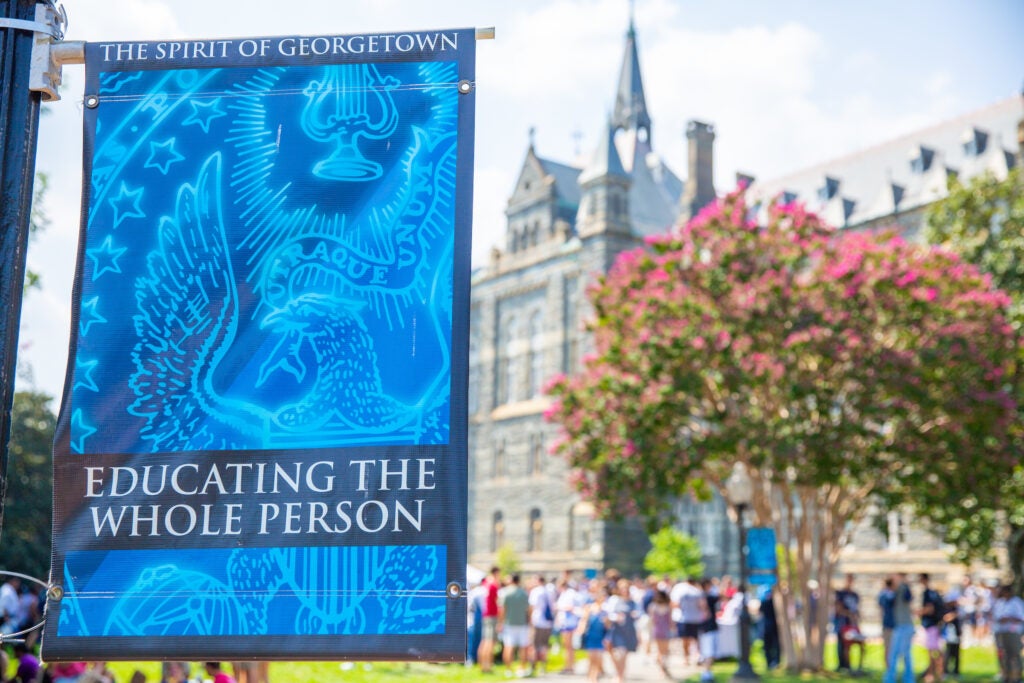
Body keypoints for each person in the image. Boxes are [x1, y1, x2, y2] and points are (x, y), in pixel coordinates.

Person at [605, 579, 639, 683]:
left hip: (628, 631)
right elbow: (609, 614)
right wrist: (616, 617)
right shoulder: (615, 600)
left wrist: (635, 615)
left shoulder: (633, 602)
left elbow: (639, 614)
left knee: (624, 654)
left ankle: (620, 676)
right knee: (617, 654)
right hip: (617, 631)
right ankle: (619, 673)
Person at [884, 572, 915, 683]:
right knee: (894, 654)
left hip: (905, 626)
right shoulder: (891, 593)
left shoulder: (903, 588)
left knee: (905, 654)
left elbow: (908, 596)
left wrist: (902, 582)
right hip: (899, 626)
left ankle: (908, 679)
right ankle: (890, 679)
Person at [576, 583, 610, 683]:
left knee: (598, 658)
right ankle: (591, 677)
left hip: (600, 637)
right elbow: (584, 621)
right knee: (591, 659)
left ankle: (595, 677)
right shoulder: (589, 608)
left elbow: (608, 627)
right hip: (591, 636)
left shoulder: (605, 610)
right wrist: (580, 630)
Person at [992, 584, 1024, 683]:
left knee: (1014, 655)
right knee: (1004, 655)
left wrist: (1009, 618)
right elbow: (995, 616)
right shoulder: (1000, 602)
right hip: (1001, 631)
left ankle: (1016, 677)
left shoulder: (1017, 602)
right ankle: (1006, 676)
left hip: (1013, 632)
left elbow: (1021, 618)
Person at [499, 574, 530, 677]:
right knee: (523, 648)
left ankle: (508, 669)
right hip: (522, 623)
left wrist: (500, 622)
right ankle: (522, 669)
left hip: (509, 624)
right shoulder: (524, 593)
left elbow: (503, 610)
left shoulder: (506, 593)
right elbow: (528, 610)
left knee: (508, 647)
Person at [671, 576, 705, 666]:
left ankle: (686, 658)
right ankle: (698, 656)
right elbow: (702, 605)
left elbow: (675, 604)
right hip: (695, 618)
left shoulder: (679, 589)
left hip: (683, 618)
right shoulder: (697, 591)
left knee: (685, 640)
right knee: (696, 639)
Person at [919, 573, 946, 683]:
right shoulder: (933, 593)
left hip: (931, 624)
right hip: (935, 624)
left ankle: (932, 675)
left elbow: (929, 609)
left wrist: (918, 612)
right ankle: (938, 673)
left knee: (933, 651)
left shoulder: (928, 593)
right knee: (936, 650)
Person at [527, 575, 555, 676]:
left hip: (537, 621)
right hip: (548, 622)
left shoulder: (536, 591)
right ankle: (543, 666)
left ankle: (533, 666)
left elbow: (532, 606)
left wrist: (529, 619)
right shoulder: (550, 591)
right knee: (544, 645)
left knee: (534, 645)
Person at [554, 577, 582, 673]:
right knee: (567, 646)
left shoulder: (570, 594)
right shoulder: (563, 594)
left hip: (569, 623)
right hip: (564, 622)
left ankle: (569, 666)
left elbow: (571, 607)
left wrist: (560, 607)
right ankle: (569, 665)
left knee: (568, 646)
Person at [833, 573, 860, 672]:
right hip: (842, 623)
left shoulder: (855, 595)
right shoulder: (840, 593)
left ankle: (850, 665)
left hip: (851, 624)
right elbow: (838, 608)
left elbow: (856, 610)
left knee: (851, 645)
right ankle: (842, 665)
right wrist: (849, 614)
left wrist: (855, 619)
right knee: (841, 645)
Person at [478, 566, 502, 673]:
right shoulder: (493, 585)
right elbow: (498, 602)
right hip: (492, 615)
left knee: (484, 641)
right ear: (496, 573)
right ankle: (487, 666)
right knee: (489, 642)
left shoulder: (486, 583)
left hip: (485, 615)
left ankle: (482, 665)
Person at [647, 588, 674, 679]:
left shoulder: (655, 606)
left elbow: (670, 621)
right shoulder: (655, 607)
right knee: (663, 650)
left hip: (661, 630)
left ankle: (663, 666)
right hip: (661, 630)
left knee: (663, 650)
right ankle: (663, 667)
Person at [698, 578, 719, 682]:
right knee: (709, 652)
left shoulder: (701, 596)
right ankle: (706, 673)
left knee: (707, 651)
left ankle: (707, 672)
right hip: (708, 627)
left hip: (705, 627)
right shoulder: (706, 597)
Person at [943, 592, 963, 680]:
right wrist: (953, 615)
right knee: (948, 653)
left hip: (956, 634)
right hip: (949, 634)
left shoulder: (957, 608)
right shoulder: (947, 609)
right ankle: (946, 671)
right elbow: (946, 618)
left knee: (957, 654)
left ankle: (956, 672)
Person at [879, 577, 897, 666]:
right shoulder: (887, 594)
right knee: (888, 647)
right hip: (889, 624)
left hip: (891, 624)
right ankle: (889, 668)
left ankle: (890, 668)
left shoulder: (883, 594)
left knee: (890, 648)